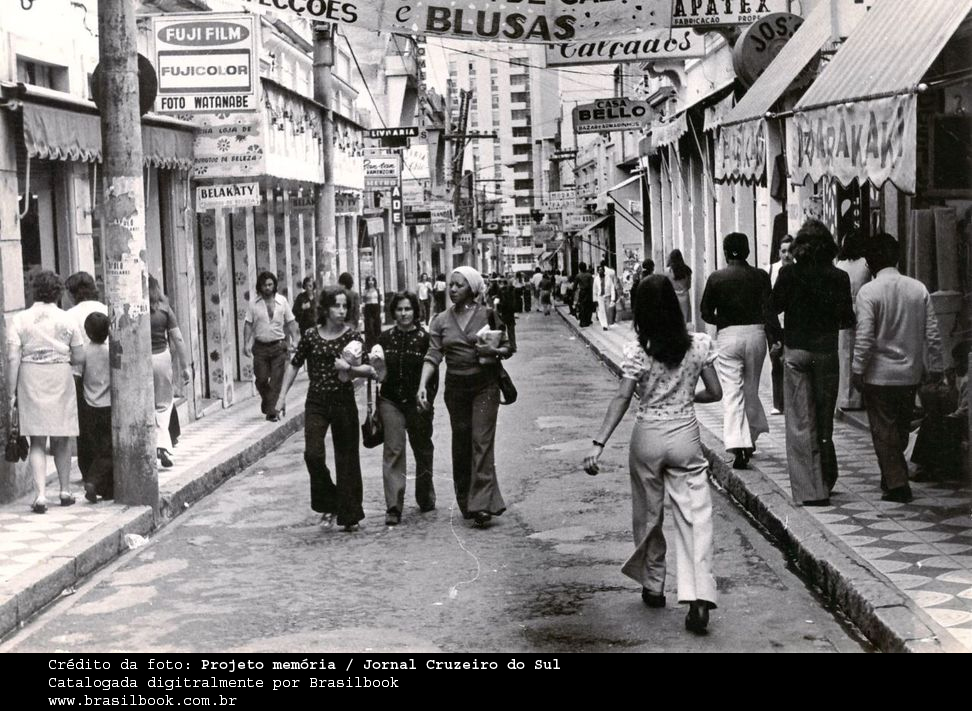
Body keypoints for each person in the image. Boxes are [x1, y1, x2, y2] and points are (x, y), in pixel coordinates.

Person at [583, 275, 723, 635]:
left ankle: (653, 584)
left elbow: (622, 397)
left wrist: (599, 443)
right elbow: (715, 392)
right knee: (695, 515)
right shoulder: (699, 344)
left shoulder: (638, 351)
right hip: (686, 437)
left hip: (647, 436)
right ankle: (698, 597)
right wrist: (686, 398)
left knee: (648, 514)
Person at [852, 232, 944, 504]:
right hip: (911, 373)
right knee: (900, 428)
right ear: (897, 258)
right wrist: (936, 365)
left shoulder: (868, 292)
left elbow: (865, 336)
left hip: (878, 374)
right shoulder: (918, 289)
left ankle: (897, 484)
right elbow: (933, 333)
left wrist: (857, 369)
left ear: (870, 263)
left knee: (884, 431)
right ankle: (892, 475)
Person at [276, 286, 377, 531]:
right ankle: (330, 501)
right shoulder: (311, 335)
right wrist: (281, 397)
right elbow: (295, 364)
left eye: (345, 306)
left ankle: (350, 514)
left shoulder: (352, 336)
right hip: (317, 402)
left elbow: (369, 369)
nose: (341, 311)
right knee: (313, 454)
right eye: (336, 306)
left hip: (343, 401)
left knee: (347, 458)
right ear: (325, 309)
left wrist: (349, 368)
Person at [418, 266, 511, 527]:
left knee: (481, 441)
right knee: (461, 443)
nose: (453, 289)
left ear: (472, 288)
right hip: (456, 389)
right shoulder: (440, 320)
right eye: (451, 284)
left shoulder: (488, 314)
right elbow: (433, 355)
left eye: (459, 285)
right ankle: (466, 499)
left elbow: (508, 347)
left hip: (485, 386)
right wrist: (422, 385)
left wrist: (494, 351)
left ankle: (481, 504)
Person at [772, 220, 855, 506]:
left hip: (796, 351)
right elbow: (847, 319)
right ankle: (827, 477)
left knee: (800, 422)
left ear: (800, 247)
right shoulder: (839, 277)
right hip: (826, 352)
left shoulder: (788, 274)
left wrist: (779, 337)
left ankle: (812, 489)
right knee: (824, 419)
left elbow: (770, 308)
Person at [6, 270, 83, 513]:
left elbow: (12, 357)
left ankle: (40, 495)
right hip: (60, 376)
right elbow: (80, 356)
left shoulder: (20, 319)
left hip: (31, 377)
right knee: (62, 438)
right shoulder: (67, 319)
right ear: (58, 292)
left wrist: (11, 392)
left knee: (37, 440)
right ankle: (65, 490)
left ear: (34, 291)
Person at [700, 233, 771, 470]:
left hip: (728, 336)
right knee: (751, 389)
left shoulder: (716, 278)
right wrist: (776, 339)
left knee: (732, 392)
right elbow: (769, 309)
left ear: (724, 252)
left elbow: (705, 312)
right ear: (748, 251)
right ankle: (751, 437)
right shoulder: (761, 276)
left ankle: (738, 445)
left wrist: (722, 320)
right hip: (756, 334)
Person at [377, 291, 436, 525]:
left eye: (408, 309)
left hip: (417, 402)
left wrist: (427, 399)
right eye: (399, 309)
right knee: (393, 450)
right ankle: (393, 506)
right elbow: (377, 370)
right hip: (390, 401)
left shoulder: (425, 339)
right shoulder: (384, 338)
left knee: (422, 449)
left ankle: (425, 495)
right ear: (393, 312)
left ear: (415, 311)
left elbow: (433, 374)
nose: (403, 313)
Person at [65, 271, 108, 481]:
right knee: (106, 426)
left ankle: (88, 470)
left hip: (79, 374)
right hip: (105, 371)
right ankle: (104, 470)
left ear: (72, 293)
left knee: (84, 424)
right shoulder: (106, 309)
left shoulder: (69, 315)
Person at [243, 271, 299, 423]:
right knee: (261, 379)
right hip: (260, 347)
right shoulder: (253, 304)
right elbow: (248, 324)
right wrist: (246, 343)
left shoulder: (282, 301)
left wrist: (296, 340)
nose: (267, 288)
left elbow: (291, 322)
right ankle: (268, 401)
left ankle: (272, 412)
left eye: (270, 284)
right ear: (260, 287)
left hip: (278, 346)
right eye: (264, 285)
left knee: (276, 381)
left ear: (274, 285)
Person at [149, 276, 192, 466]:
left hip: (138, 362)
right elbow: (178, 339)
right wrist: (185, 366)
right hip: (161, 358)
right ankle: (163, 444)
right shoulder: (164, 309)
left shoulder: (133, 309)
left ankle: (155, 445)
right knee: (164, 404)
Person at [78, 313, 113, 503]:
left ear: (87, 332)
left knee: (95, 447)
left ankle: (103, 488)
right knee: (108, 450)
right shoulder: (111, 352)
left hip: (89, 406)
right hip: (108, 406)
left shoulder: (83, 352)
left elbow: (78, 376)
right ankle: (93, 481)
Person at [835, 230, 871, 411]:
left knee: (845, 354)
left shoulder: (840, 264)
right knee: (861, 351)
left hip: (844, 310)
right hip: (863, 308)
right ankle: (860, 397)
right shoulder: (865, 264)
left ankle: (845, 397)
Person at [766, 236, 794, 415]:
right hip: (774, 325)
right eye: (783, 251)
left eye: (790, 251)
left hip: (791, 324)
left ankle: (790, 401)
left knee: (791, 363)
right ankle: (778, 403)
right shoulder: (771, 270)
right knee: (776, 363)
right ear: (778, 252)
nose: (787, 255)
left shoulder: (797, 271)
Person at [666, 249, 693, 323]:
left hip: (672, 297)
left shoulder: (668, 271)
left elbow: (666, 286)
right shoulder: (687, 270)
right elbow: (689, 286)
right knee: (684, 319)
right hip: (684, 297)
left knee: (673, 320)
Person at [361, 275, 383, 350]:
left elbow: (381, 301)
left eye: (372, 280)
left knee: (377, 326)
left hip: (376, 308)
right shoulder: (365, 291)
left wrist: (382, 312)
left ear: (374, 281)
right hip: (368, 309)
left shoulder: (378, 290)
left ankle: (378, 345)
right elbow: (363, 303)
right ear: (367, 282)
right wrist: (362, 314)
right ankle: (369, 346)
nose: (371, 282)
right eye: (369, 280)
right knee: (369, 328)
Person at [593, 264, 617, 331]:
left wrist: (613, 298)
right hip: (600, 297)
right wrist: (595, 300)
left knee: (608, 310)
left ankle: (607, 323)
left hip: (607, 296)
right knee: (601, 311)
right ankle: (604, 325)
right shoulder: (596, 279)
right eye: (599, 270)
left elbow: (612, 288)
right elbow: (594, 290)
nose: (600, 271)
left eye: (601, 270)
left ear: (604, 271)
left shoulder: (608, 278)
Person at [575, 262, 594, 327]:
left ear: (579, 268)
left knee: (582, 306)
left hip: (582, 292)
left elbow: (574, 286)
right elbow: (592, 285)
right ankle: (588, 320)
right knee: (589, 306)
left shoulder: (578, 276)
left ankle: (582, 321)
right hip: (589, 292)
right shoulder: (589, 275)